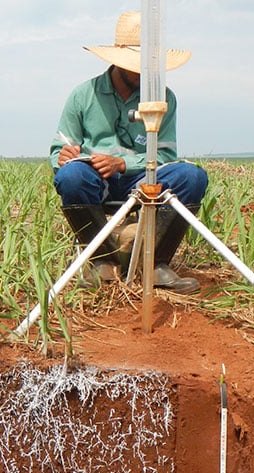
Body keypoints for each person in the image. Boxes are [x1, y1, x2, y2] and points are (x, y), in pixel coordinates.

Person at [49, 10, 208, 294]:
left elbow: (165, 155)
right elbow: (60, 148)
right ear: (118, 62)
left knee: (192, 177)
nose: (144, 72)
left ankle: (156, 263)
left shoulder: (163, 97)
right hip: (96, 181)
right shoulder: (83, 95)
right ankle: (102, 261)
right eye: (137, 66)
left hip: (144, 179)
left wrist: (122, 163)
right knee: (71, 176)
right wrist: (63, 158)